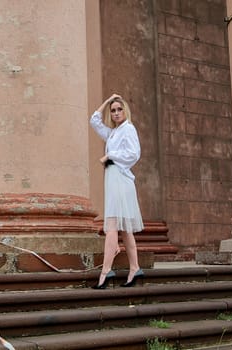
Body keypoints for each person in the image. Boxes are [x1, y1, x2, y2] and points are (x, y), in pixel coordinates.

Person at [89, 93, 144, 289]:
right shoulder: (113, 132)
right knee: (125, 229)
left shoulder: (128, 129)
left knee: (112, 225)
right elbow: (94, 121)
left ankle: (105, 271)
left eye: (119, 109)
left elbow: (134, 154)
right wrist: (107, 101)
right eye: (113, 110)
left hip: (121, 179)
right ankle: (135, 268)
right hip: (113, 179)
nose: (116, 113)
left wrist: (109, 155)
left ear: (125, 110)